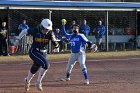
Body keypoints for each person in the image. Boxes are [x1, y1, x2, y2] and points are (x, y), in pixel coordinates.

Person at [14, 19, 59, 92]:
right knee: (46, 65)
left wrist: (57, 47)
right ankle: (38, 82)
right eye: (45, 29)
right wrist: (18, 39)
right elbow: (24, 31)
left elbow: (55, 42)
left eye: (48, 29)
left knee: (35, 67)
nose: (47, 30)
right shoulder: (35, 30)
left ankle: (27, 80)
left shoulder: (50, 33)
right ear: (41, 27)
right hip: (34, 51)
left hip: (43, 53)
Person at [60, 19, 97, 85]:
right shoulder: (70, 36)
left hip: (80, 54)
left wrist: (93, 45)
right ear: (72, 29)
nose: (76, 29)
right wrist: (63, 25)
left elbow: (87, 42)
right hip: (73, 54)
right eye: (74, 28)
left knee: (82, 65)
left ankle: (86, 80)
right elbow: (64, 33)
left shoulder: (81, 35)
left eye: (77, 28)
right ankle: (67, 77)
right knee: (68, 67)